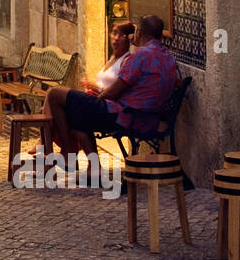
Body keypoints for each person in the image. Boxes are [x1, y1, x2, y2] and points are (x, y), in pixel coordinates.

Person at [45, 15, 179, 156]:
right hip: (149, 118)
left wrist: (94, 102)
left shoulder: (140, 56)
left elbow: (113, 93)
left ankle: (68, 152)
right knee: (78, 108)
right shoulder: (169, 58)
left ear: (139, 32)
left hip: (127, 116)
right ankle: (90, 165)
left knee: (55, 94)